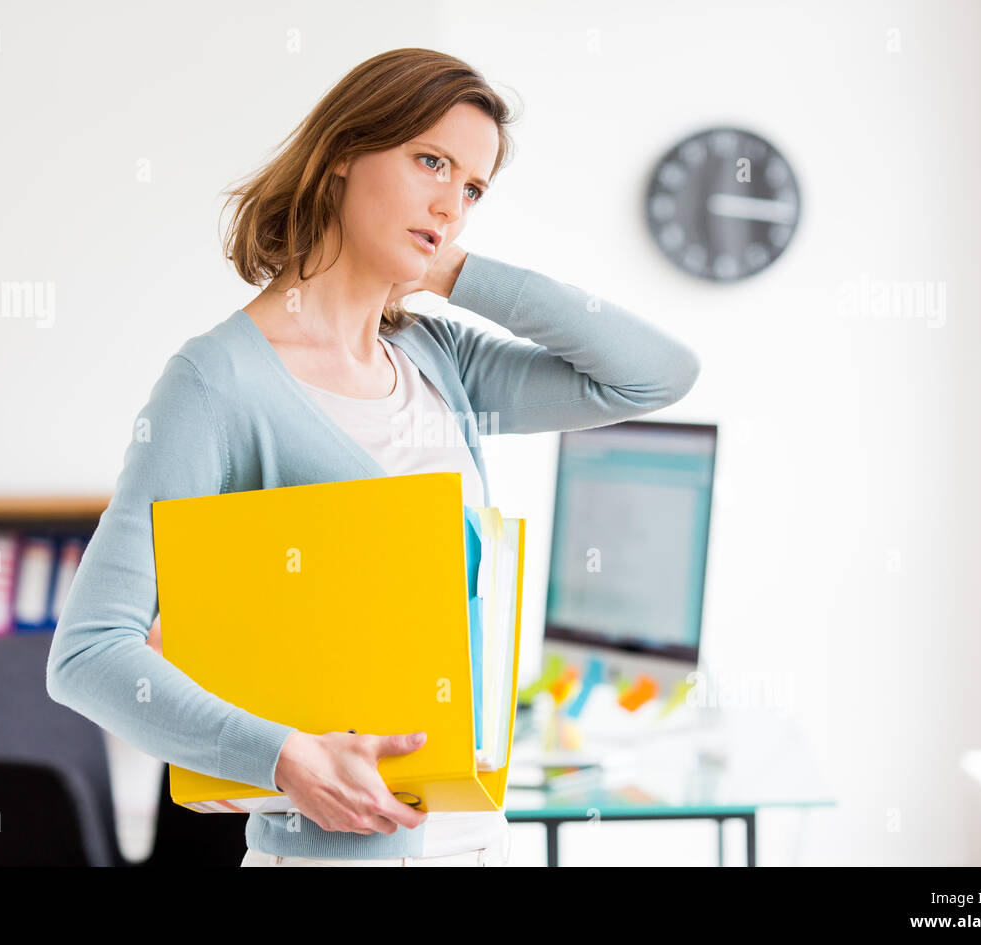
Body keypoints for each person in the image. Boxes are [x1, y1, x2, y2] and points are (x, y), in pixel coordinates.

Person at [47, 47, 701, 867]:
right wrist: (286, 757)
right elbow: (87, 654)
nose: (450, 203)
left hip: (478, 843)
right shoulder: (218, 383)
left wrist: (455, 270)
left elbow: (653, 376)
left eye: (471, 189)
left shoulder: (439, 358)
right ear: (343, 155)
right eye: (430, 161)